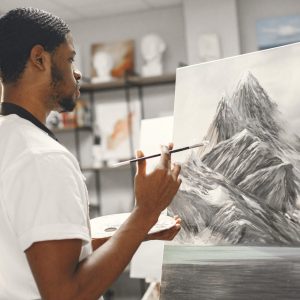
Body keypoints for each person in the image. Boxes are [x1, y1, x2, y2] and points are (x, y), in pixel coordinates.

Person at [0, 8, 181, 300]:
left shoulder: (9, 139)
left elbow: (33, 252)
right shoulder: (43, 158)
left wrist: (138, 231)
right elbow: (65, 294)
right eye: (70, 59)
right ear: (40, 58)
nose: (78, 72)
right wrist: (145, 213)